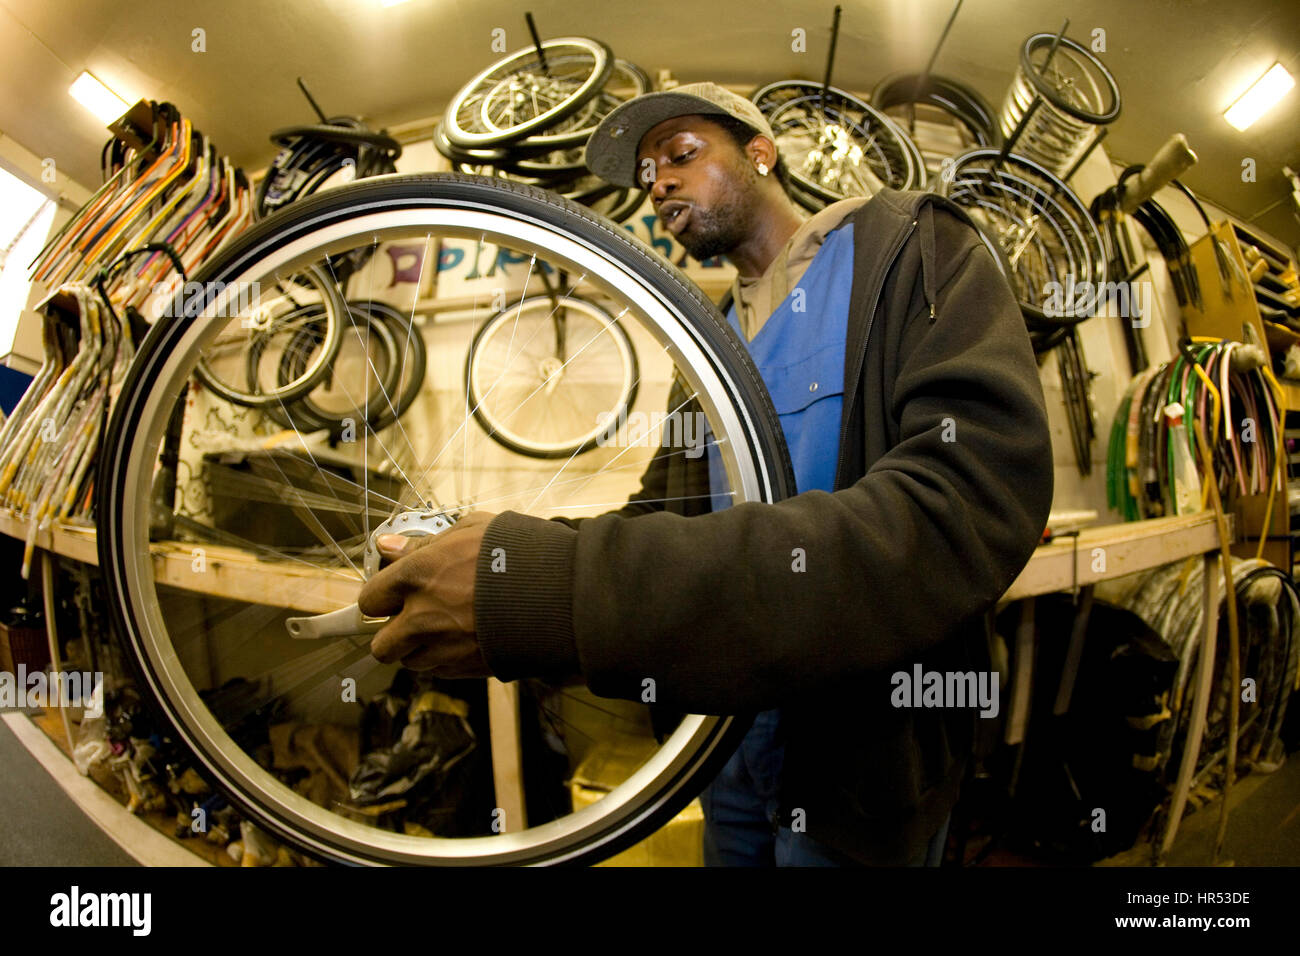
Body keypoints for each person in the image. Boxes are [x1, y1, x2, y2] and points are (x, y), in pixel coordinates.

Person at [358, 83, 1054, 866]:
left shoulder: (910, 249)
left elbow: (964, 508)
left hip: (864, 761)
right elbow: (662, 513)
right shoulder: (708, 349)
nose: (657, 182)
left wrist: (566, 588)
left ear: (761, 152)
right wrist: (521, 555)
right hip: (724, 744)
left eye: (681, 154)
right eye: (648, 171)